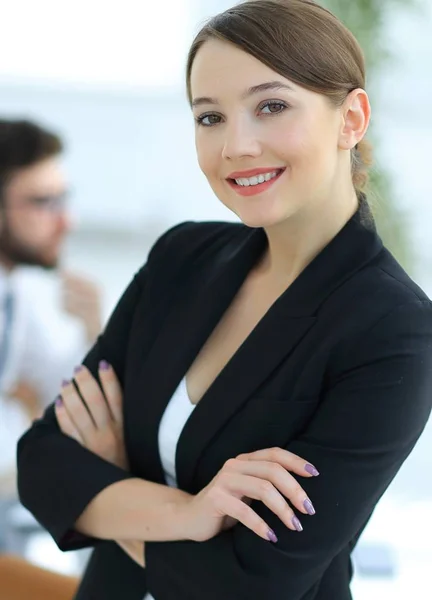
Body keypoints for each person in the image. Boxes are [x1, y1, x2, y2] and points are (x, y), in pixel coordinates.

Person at [16, 1, 432, 599]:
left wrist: (115, 483)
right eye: (209, 117)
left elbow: (248, 584)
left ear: (352, 118)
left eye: (271, 106)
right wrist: (187, 513)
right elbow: (43, 462)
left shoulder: (391, 328)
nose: (236, 145)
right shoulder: (182, 259)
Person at [0, 119, 102, 494]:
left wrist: (94, 329)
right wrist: (20, 417)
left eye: (64, 199)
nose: (66, 221)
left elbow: (60, 401)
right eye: (43, 203)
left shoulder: (19, 289)